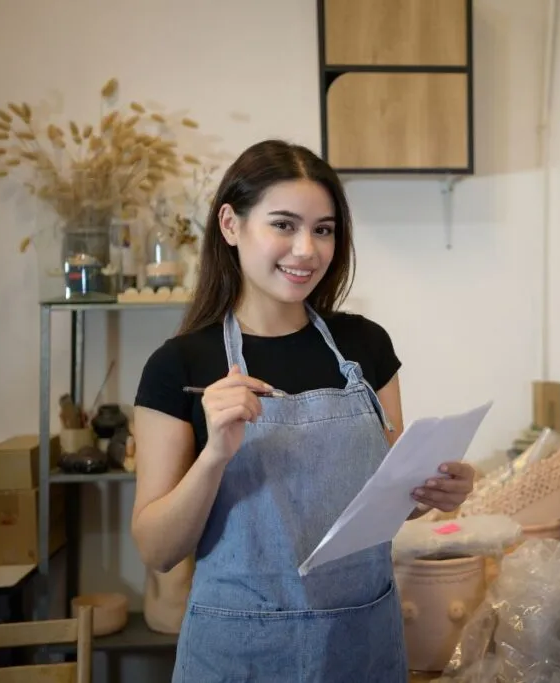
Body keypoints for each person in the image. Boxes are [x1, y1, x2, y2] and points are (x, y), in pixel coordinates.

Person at [131, 139, 476, 682]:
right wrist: (214, 456)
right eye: (284, 225)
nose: (307, 250)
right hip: (239, 651)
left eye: (323, 229)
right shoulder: (179, 365)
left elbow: (389, 498)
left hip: (361, 641)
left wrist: (432, 493)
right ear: (230, 224)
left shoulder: (365, 346)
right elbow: (156, 548)